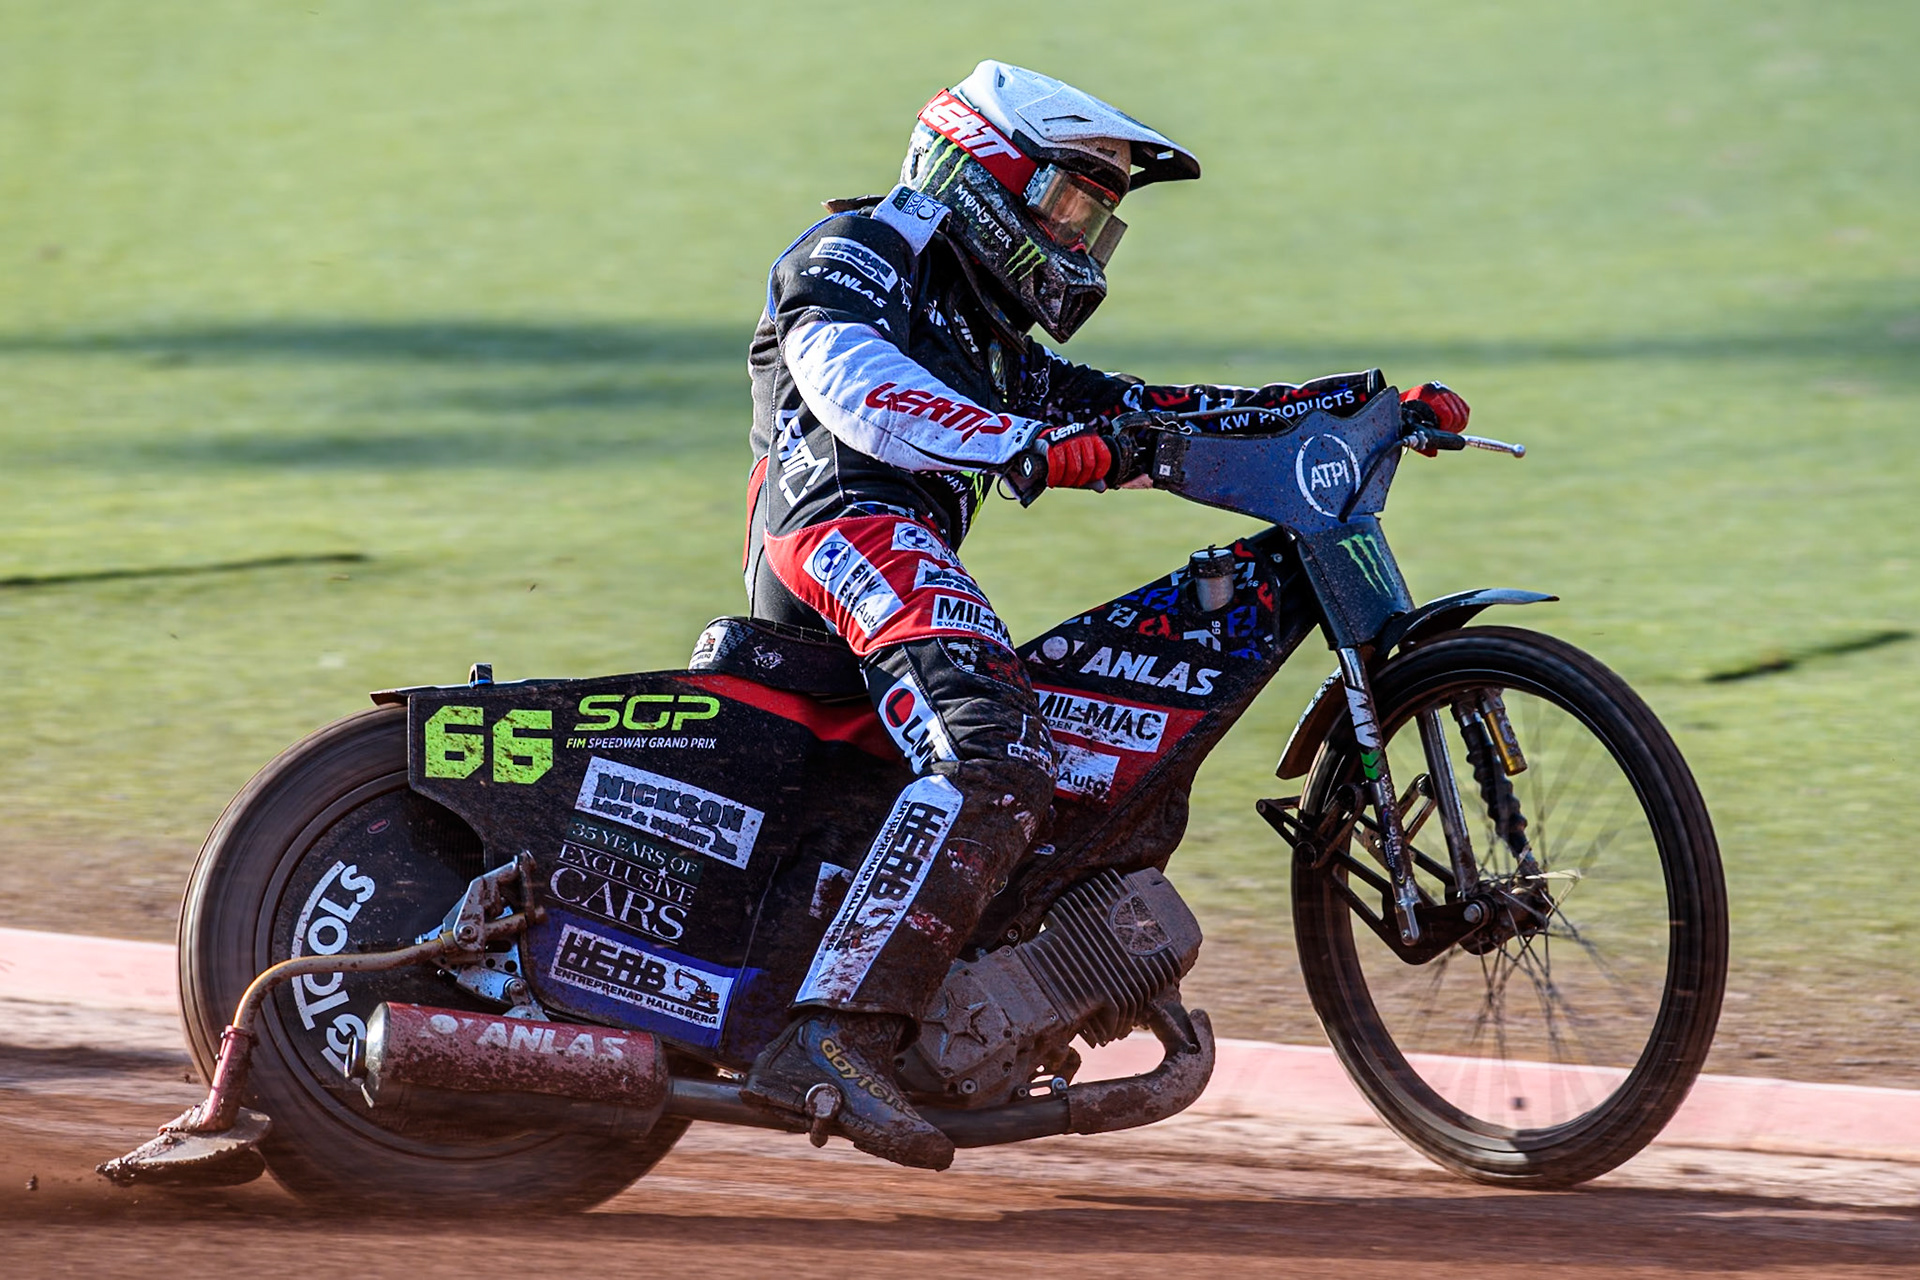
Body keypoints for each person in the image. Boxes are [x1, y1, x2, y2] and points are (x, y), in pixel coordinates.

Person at [737, 61, 1470, 1170]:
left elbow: (1140, 408)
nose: (1085, 234)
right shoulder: (854, 255)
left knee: (1064, 764)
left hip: (898, 544)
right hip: (838, 528)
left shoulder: (995, 339)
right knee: (999, 746)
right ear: (983, 173)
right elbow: (862, 392)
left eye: (1100, 215)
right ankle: (827, 1036)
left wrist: (1342, 405)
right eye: (1073, 201)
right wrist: (1021, 441)